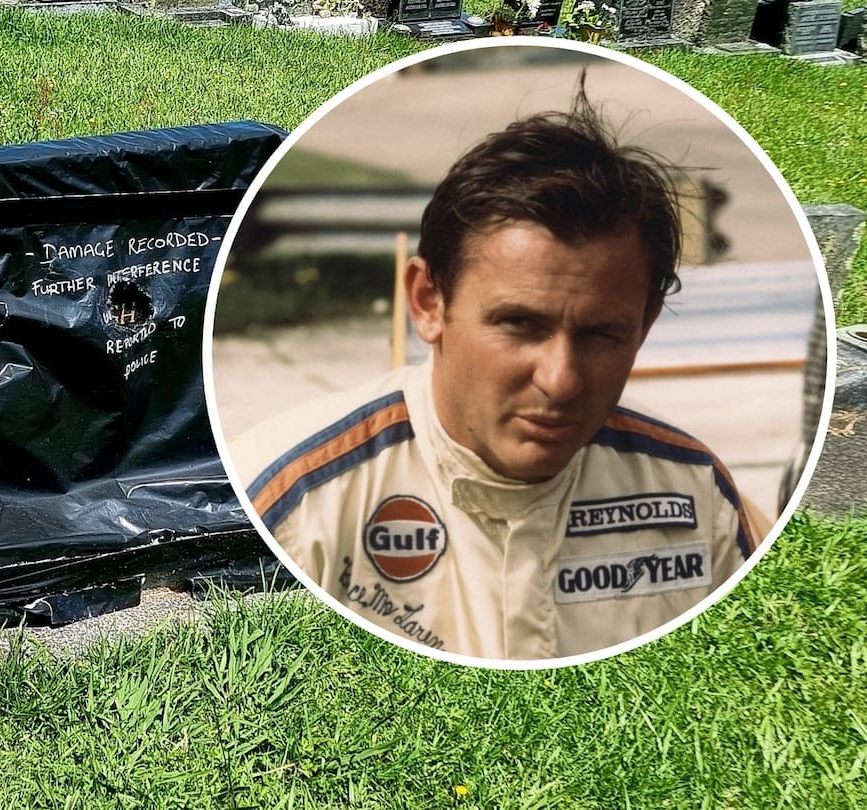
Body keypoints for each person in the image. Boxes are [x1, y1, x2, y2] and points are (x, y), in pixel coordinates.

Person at [229, 87, 758, 660]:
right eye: (519, 325)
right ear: (429, 302)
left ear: (646, 323)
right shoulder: (291, 507)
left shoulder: (700, 498)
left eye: (602, 335)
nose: (561, 381)